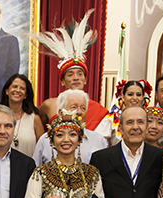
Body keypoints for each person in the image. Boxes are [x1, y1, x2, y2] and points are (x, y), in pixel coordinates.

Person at [33, 10, 111, 139]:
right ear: (62, 81)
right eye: (70, 74)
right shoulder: (48, 105)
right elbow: (40, 135)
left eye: (80, 74)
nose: (76, 78)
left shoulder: (98, 110)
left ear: (85, 80)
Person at [32, 89, 108, 166]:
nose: (79, 112)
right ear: (60, 112)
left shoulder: (98, 140)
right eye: (74, 107)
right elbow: (36, 169)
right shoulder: (45, 140)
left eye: (83, 108)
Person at [0, 73, 44, 157]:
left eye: (22, 88)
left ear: (26, 95)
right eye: (14, 86)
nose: (18, 90)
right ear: (6, 91)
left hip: (29, 168)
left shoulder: (34, 119)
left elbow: (43, 148)